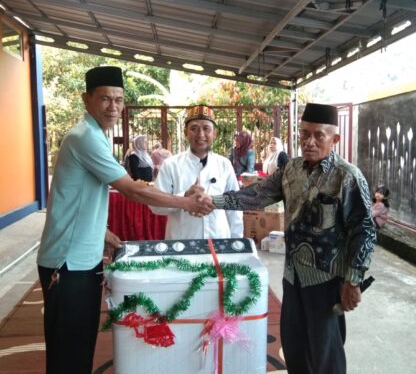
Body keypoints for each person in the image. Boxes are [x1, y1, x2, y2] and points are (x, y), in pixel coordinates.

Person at [36, 66, 213, 374]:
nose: (113, 107)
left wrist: (101, 231)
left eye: (118, 99)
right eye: (105, 98)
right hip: (67, 263)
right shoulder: (84, 137)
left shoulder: (97, 136)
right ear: (86, 99)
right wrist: (185, 203)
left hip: (83, 256)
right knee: (69, 351)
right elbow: (132, 190)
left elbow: (77, 194)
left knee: (80, 344)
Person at [204, 103, 376, 374]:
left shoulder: (347, 177)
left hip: (327, 279)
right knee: (295, 347)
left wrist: (353, 280)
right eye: (304, 134)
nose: (309, 142)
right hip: (292, 276)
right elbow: (256, 195)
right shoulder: (291, 169)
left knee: (325, 355)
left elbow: (364, 229)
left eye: (318, 135)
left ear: (335, 139)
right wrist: (211, 201)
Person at [151, 105, 243, 239]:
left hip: (219, 240)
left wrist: (237, 242)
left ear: (214, 133)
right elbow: (156, 206)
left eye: (206, 129)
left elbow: (234, 206)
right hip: (181, 243)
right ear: (186, 133)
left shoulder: (224, 165)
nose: (200, 134)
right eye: (194, 128)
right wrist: (184, 197)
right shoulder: (171, 165)